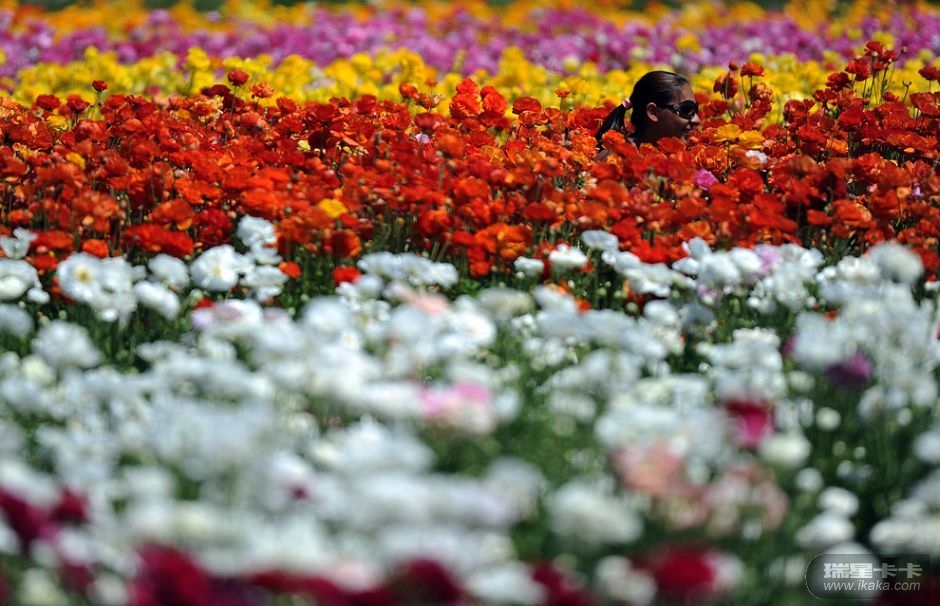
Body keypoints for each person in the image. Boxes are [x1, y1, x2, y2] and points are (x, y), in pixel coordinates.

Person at [595, 70, 701, 158]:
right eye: (686, 109)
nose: (697, 120)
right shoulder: (614, 161)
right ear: (653, 112)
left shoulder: (689, 156)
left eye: (696, 109)